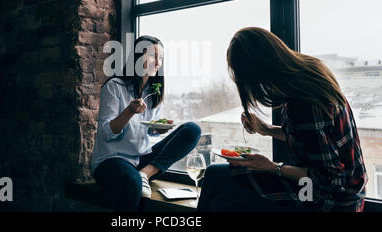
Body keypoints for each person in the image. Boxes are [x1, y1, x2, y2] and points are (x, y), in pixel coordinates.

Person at [198, 27, 368, 212]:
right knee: (217, 181)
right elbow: (310, 140)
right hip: (333, 191)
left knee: (221, 196)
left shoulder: (306, 103)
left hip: (328, 201)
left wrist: (272, 167)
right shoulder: (310, 71)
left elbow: (330, 179)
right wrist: (267, 129)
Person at [91, 35, 201, 212]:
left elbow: (147, 133)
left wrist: (157, 130)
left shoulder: (153, 91)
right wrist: (129, 112)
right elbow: (105, 133)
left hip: (140, 159)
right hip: (111, 160)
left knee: (192, 130)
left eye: (161, 57)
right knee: (132, 184)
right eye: (153, 55)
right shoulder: (114, 86)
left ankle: (146, 173)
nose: (158, 62)